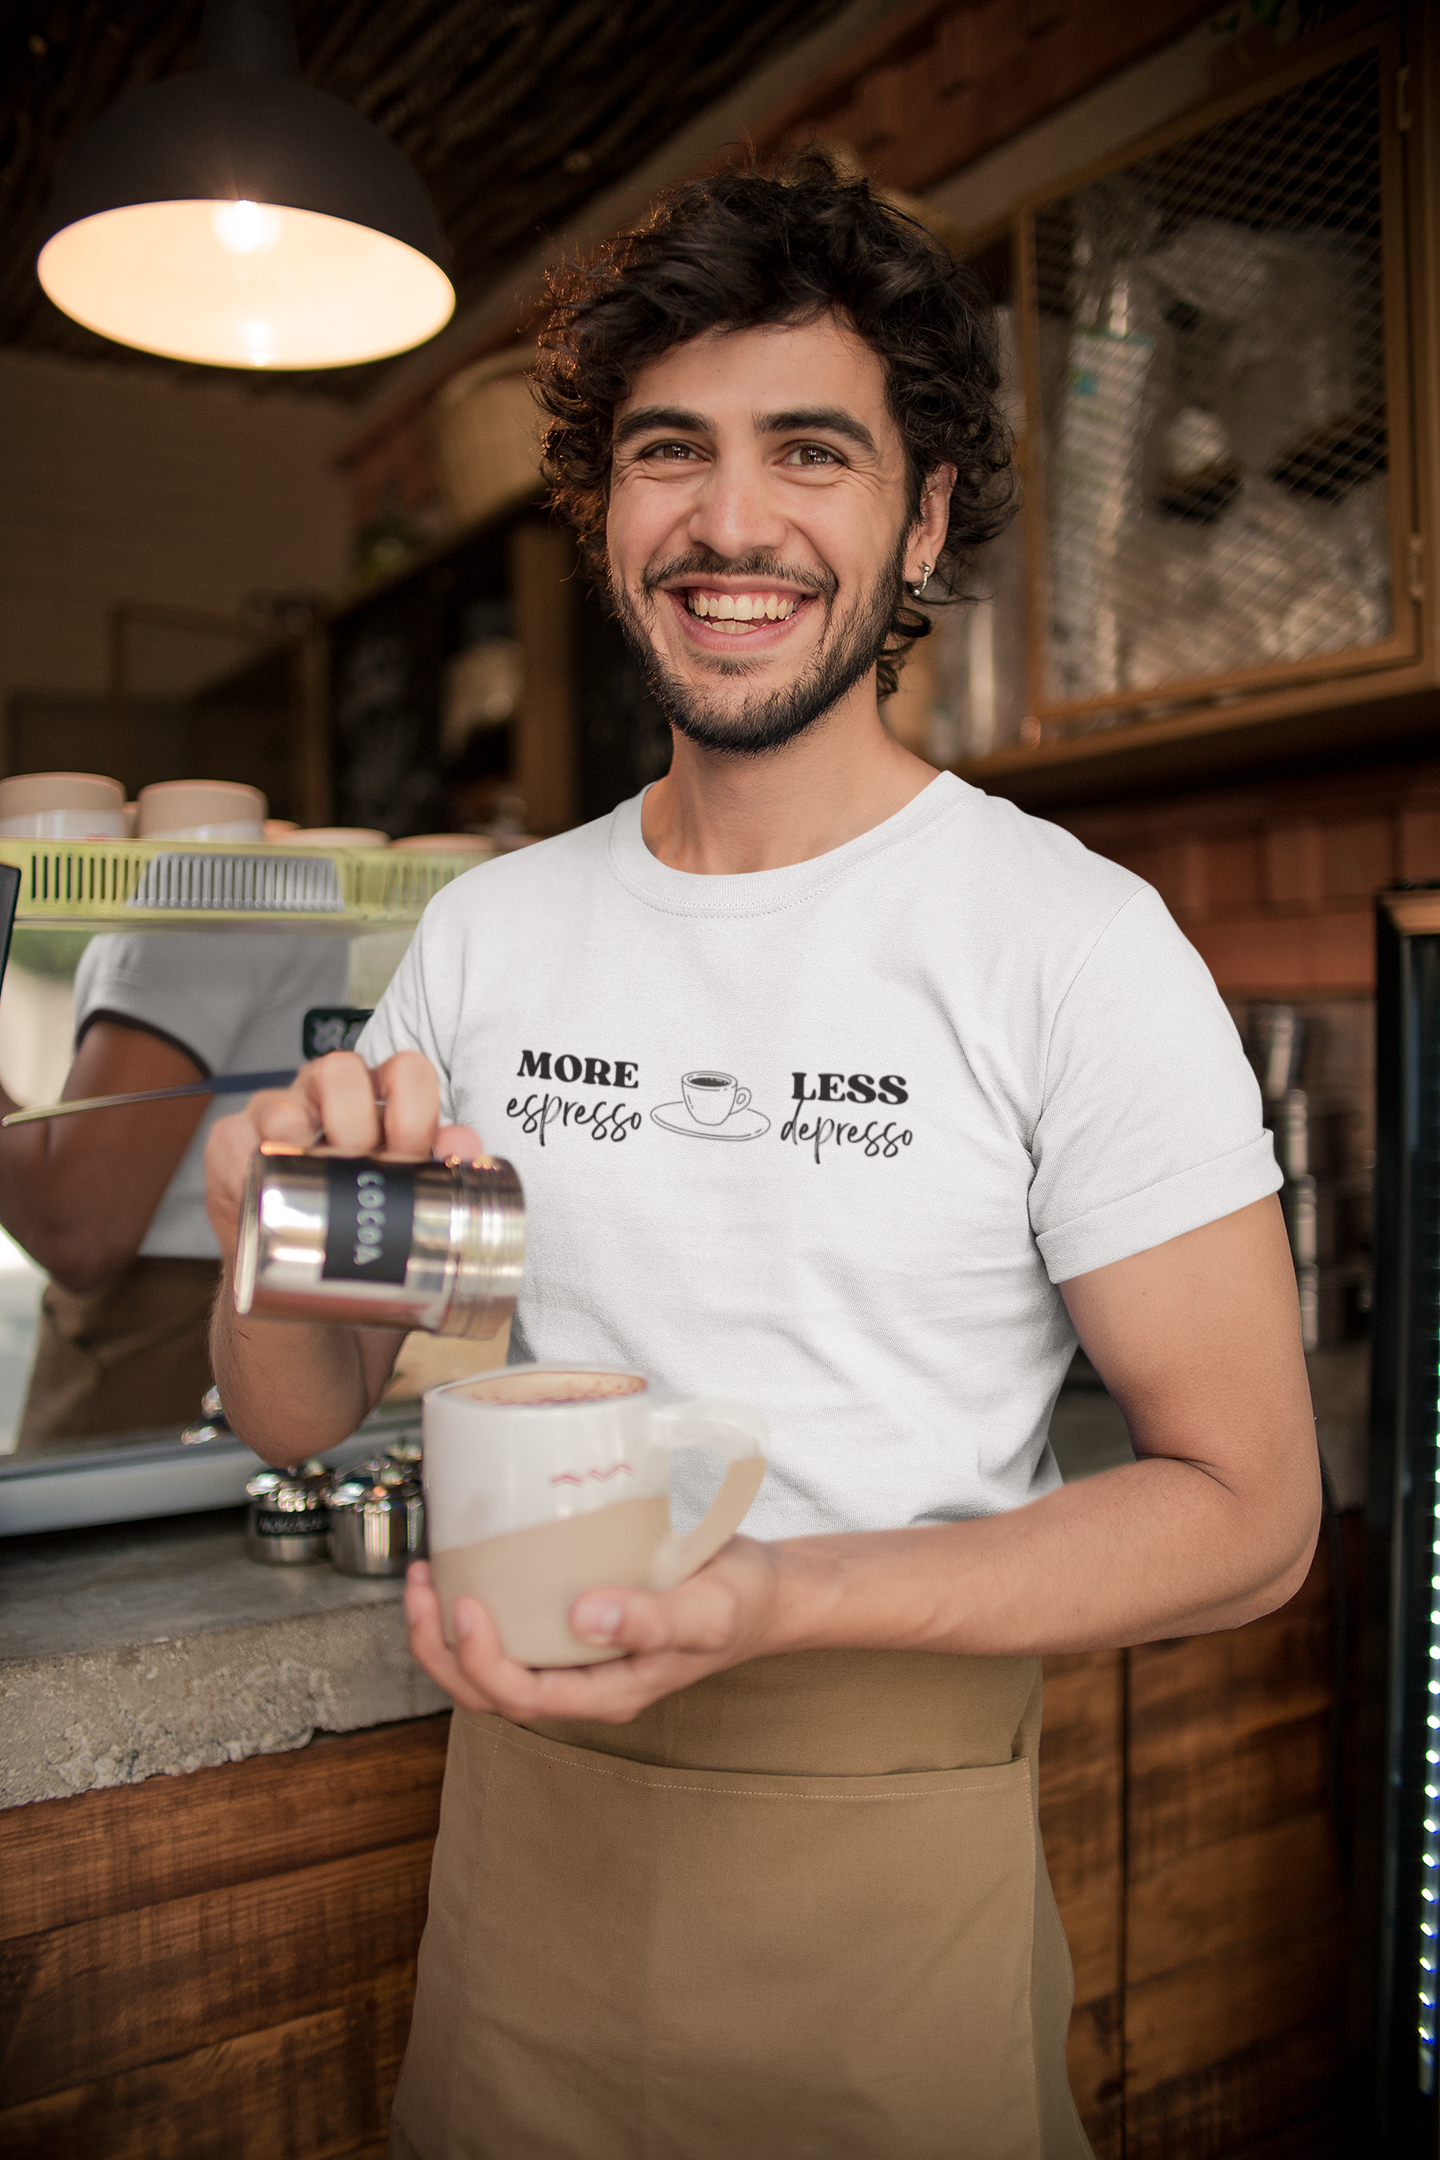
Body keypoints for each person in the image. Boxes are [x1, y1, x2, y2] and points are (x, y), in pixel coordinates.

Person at [205, 157, 1319, 2159]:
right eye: (669, 453)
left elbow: (1252, 1513)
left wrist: (780, 1596)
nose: (733, 524)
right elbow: (311, 1406)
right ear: (603, 511)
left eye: (812, 450)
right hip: (519, 1892)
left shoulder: (1061, 940)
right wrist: (263, 1233)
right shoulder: (495, 938)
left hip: (892, 1903)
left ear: (926, 518)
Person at [0, 930, 346, 1445]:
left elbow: (76, 1230)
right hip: (290, 1324)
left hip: (158, 1356)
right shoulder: (307, 896)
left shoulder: (203, 901)